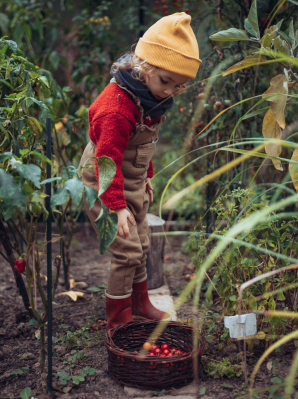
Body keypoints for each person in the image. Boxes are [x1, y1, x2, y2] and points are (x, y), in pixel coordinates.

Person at [78, 12, 201, 331]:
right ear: (144, 64)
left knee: (143, 243)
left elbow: (144, 146)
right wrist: (116, 209)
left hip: (129, 180)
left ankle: (140, 302)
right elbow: (106, 161)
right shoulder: (117, 109)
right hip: (103, 183)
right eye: (165, 81)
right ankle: (118, 320)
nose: (169, 91)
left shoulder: (149, 97)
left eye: (178, 86)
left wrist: (146, 179)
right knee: (127, 250)